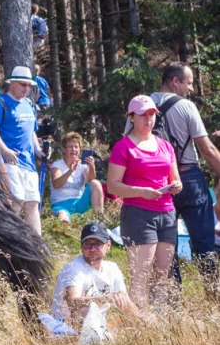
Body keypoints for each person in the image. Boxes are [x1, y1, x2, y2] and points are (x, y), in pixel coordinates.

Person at [137, 63, 220, 299]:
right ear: (175, 81)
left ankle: (173, 303)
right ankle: (214, 298)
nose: (191, 88)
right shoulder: (186, 107)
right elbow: (207, 150)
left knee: (166, 247)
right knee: (204, 242)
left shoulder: (141, 106)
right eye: (189, 82)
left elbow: (131, 145)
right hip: (190, 178)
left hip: (156, 183)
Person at [108, 95, 183, 311]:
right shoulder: (123, 147)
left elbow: (175, 179)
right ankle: (138, 324)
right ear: (131, 117)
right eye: (142, 115)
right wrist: (141, 191)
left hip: (167, 213)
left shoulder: (165, 146)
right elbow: (113, 186)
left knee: (162, 274)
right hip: (138, 213)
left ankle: (157, 324)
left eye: (151, 114)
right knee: (141, 275)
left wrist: (176, 186)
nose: (148, 119)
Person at [50, 221, 142, 328]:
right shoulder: (73, 268)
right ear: (81, 246)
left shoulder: (113, 269)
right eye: (87, 244)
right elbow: (74, 303)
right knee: (85, 310)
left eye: (98, 244)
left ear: (108, 245)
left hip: (95, 329)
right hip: (66, 329)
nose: (92, 249)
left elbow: (125, 301)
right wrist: (107, 299)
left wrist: (142, 323)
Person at [0, 66, 43, 236]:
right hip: (8, 161)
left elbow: (31, 131)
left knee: (32, 202)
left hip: (29, 163)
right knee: (16, 200)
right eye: (22, 84)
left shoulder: (29, 104)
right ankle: (7, 236)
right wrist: (5, 150)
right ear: (11, 83)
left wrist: (39, 151)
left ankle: (37, 244)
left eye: (28, 86)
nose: (26, 89)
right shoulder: (1, 102)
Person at [50, 131, 104, 223]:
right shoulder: (57, 165)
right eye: (70, 147)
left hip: (79, 202)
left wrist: (92, 167)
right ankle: (65, 227)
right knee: (63, 216)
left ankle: (99, 219)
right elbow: (56, 184)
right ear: (64, 149)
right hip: (61, 204)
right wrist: (70, 171)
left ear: (79, 150)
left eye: (76, 147)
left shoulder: (82, 165)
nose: (73, 149)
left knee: (96, 183)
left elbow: (90, 180)